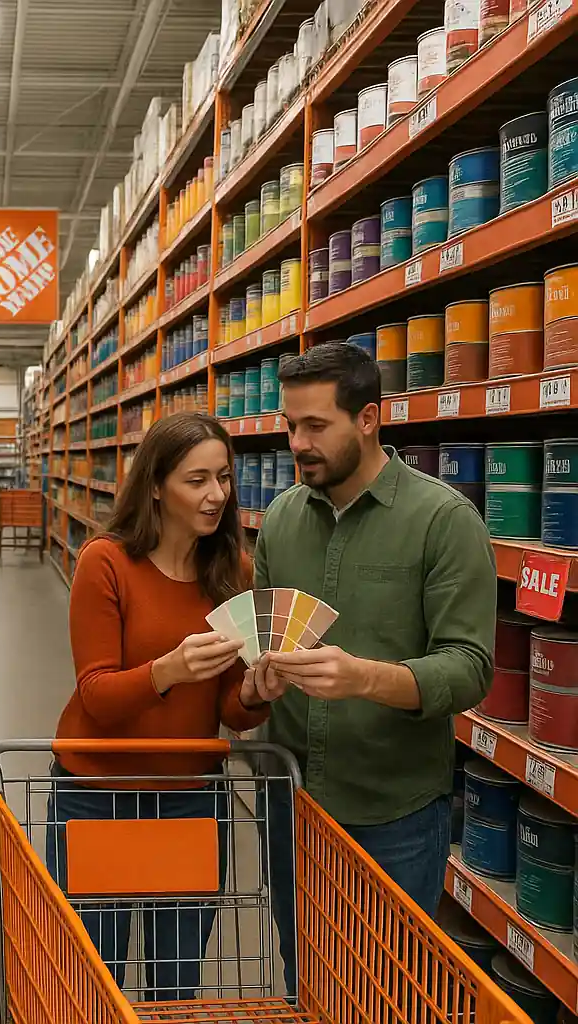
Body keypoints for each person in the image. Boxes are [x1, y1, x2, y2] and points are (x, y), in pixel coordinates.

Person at [244, 343, 496, 995]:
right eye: (290, 424)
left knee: (385, 993)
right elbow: (268, 647)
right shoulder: (279, 521)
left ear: (368, 419)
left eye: (316, 426)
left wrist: (366, 679)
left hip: (395, 815)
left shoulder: (442, 521)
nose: (298, 443)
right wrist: (258, 680)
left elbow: (469, 668)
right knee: (307, 976)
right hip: (293, 802)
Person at [46, 412, 269, 1002]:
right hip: (100, 795)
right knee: (95, 977)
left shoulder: (233, 573)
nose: (216, 494)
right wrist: (167, 672)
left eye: (223, 477)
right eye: (196, 480)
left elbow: (231, 706)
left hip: (191, 797)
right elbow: (96, 695)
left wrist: (253, 694)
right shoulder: (107, 563)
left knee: (178, 979)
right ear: (154, 485)